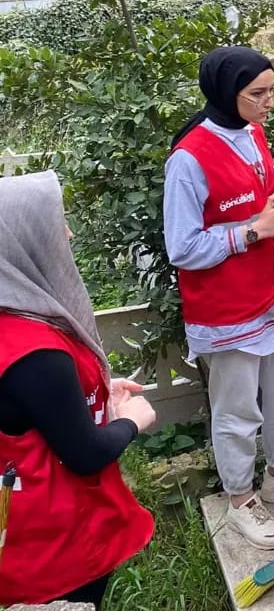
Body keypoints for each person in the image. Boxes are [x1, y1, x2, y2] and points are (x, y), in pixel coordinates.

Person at [164, 45, 274, 550]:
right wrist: (252, 231)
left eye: (272, 90)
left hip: (273, 292)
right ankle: (239, 500)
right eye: (258, 94)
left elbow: (257, 201)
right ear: (228, 94)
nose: (270, 101)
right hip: (228, 308)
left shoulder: (252, 132)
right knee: (236, 411)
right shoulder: (188, 160)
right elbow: (182, 248)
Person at [0, 171, 156, 609]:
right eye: (57, 221)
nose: (68, 231)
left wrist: (94, 391)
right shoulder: (35, 351)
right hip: (56, 552)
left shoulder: (13, 319)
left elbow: (26, 409)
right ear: (22, 239)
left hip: (21, 532)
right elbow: (84, 454)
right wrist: (131, 420)